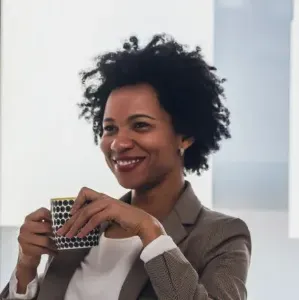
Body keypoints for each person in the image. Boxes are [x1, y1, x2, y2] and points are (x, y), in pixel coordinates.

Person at [0, 33, 251, 300]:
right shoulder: (80, 225)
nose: (118, 143)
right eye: (110, 129)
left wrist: (150, 230)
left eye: (140, 125)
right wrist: (26, 266)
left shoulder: (221, 235)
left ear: (185, 135)